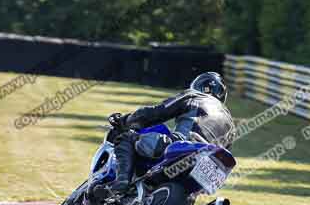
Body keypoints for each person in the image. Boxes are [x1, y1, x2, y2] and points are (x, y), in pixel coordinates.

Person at [100, 72, 235, 197]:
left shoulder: (195, 96)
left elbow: (156, 113)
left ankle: (121, 182)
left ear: (198, 86)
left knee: (126, 138)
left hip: (185, 144)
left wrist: (124, 121)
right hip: (208, 164)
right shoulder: (231, 124)